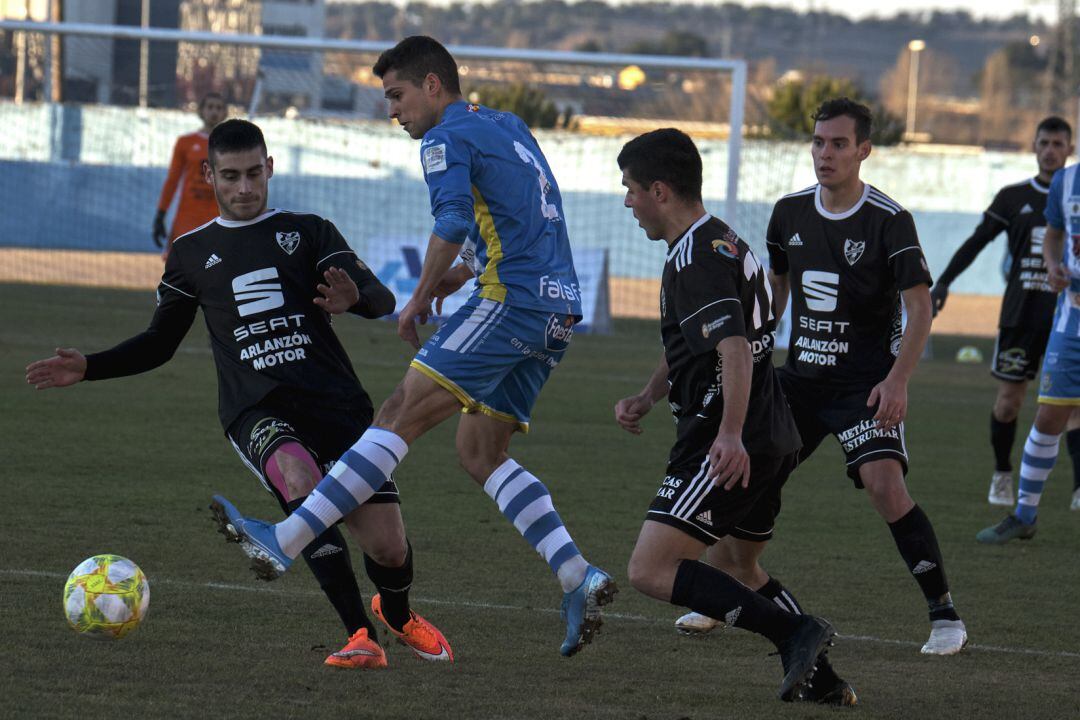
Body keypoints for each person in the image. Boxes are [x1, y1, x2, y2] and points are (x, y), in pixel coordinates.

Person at [208, 36, 616, 658]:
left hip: (512, 301)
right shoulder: (505, 125)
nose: (393, 110)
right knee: (481, 452)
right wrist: (452, 282)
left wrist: (420, 296)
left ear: (432, 86)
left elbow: (452, 221)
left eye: (397, 95)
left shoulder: (443, 138)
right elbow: (518, 218)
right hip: (558, 306)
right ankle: (576, 575)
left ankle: (284, 538)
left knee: (397, 413)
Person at [26, 118, 452, 669]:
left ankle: (396, 613)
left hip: (337, 406)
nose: (245, 188)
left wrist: (357, 300)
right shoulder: (189, 252)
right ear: (210, 175)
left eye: (254, 173)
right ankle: (359, 635)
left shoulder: (310, 231)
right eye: (231, 176)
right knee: (300, 481)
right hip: (257, 410)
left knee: (388, 548)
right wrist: (90, 367)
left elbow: (378, 294)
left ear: (270, 168)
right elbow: (160, 342)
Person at [674, 98, 967, 656]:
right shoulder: (788, 214)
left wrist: (898, 381)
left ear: (863, 151)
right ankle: (725, 589)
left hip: (865, 388)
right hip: (799, 383)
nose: (825, 154)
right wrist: (754, 361)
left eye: (837, 144)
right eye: (818, 143)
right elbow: (775, 295)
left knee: (885, 486)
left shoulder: (889, 220)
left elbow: (921, 307)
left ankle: (945, 615)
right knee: (744, 474)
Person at [613, 128, 853, 704]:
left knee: (649, 570)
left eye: (630, 189)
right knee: (740, 567)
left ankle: (797, 631)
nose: (626, 202)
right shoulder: (722, 240)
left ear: (661, 190)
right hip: (773, 432)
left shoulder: (696, 257)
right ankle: (824, 682)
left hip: (727, 437)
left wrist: (726, 435)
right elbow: (700, 342)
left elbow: (735, 348)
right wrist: (649, 395)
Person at [931, 117, 1080, 509]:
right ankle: (1002, 474)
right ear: (1034, 146)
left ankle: (1079, 488)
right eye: (1044, 142)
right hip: (1021, 314)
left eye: (1058, 143)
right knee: (1009, 401)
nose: (1050, 150)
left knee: (1074, 405)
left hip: (1069, 316)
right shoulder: (1012, 197)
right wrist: (944, 281)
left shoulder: (1072, 196)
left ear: (1069, 149)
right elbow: (976, 241)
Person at [977, 158, 1080, 543]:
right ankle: (1024, 515)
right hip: (1070, 322)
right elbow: (1054, 235)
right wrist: (1053, 265)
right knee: (1049, 417)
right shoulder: (1066, 181)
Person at [153, 92, 227, 261]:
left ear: (225, 113)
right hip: (187, 218)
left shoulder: (230, 144)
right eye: (210, 107)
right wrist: (160, 214)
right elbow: (172, 180)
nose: (214, 111)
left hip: (219, 219)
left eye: (219, 107)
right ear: (201, 111)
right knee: (180, 270)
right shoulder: (185, 142)